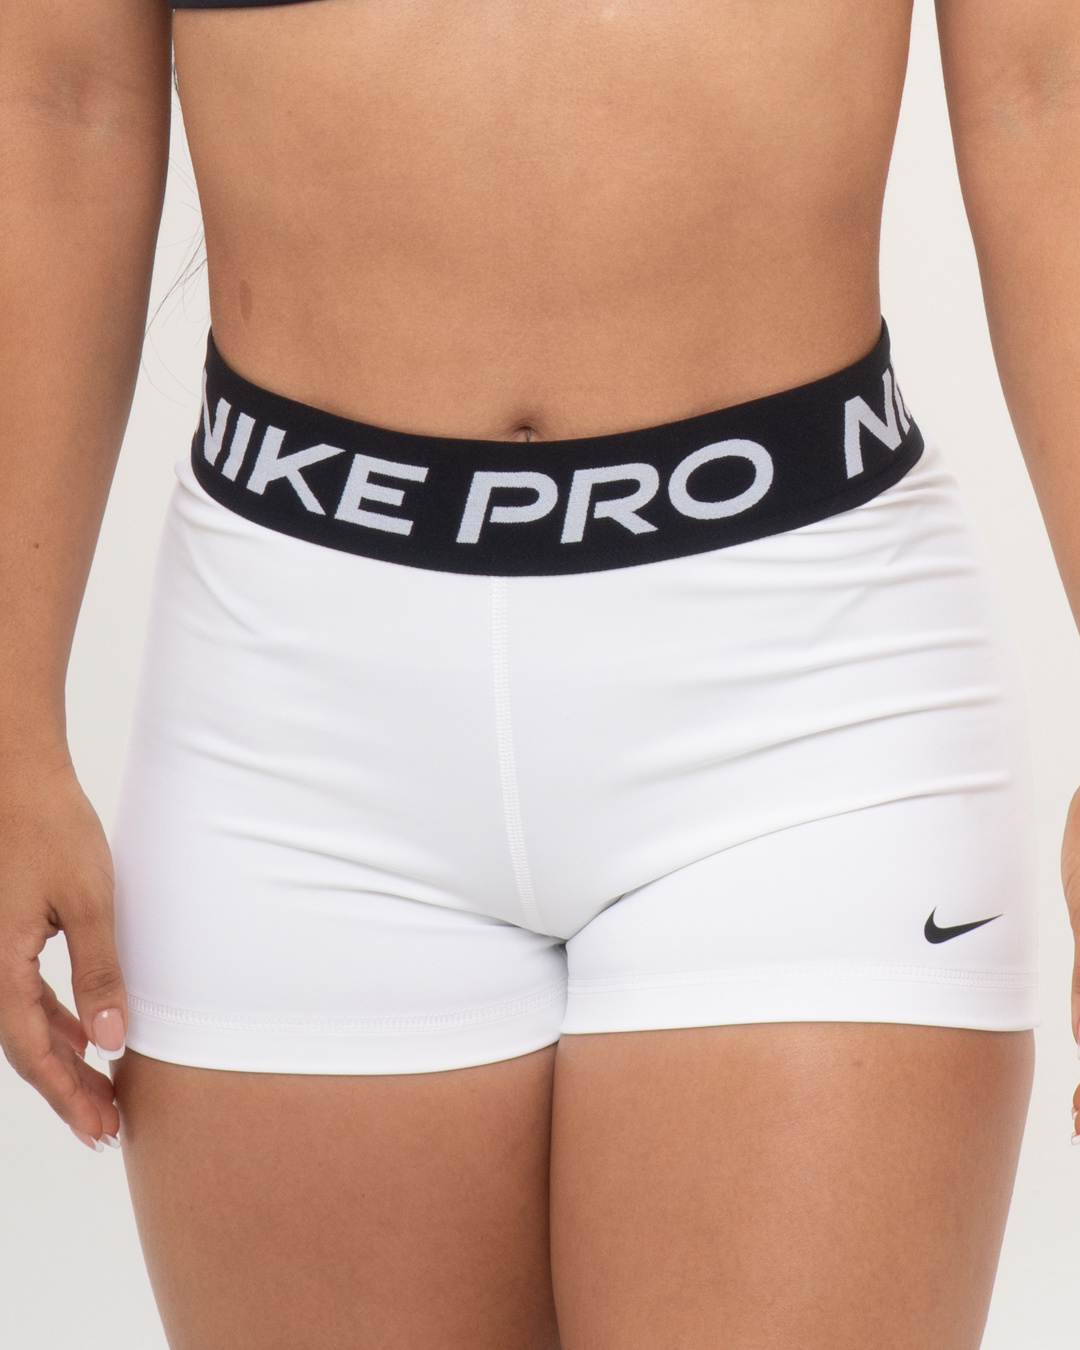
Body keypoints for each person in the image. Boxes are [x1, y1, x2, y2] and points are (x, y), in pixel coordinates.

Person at [0, 0, 1076, 1345]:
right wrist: (9, 727)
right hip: (291, 708)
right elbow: (60, 104)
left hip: (807, 690)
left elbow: (1048, 95)